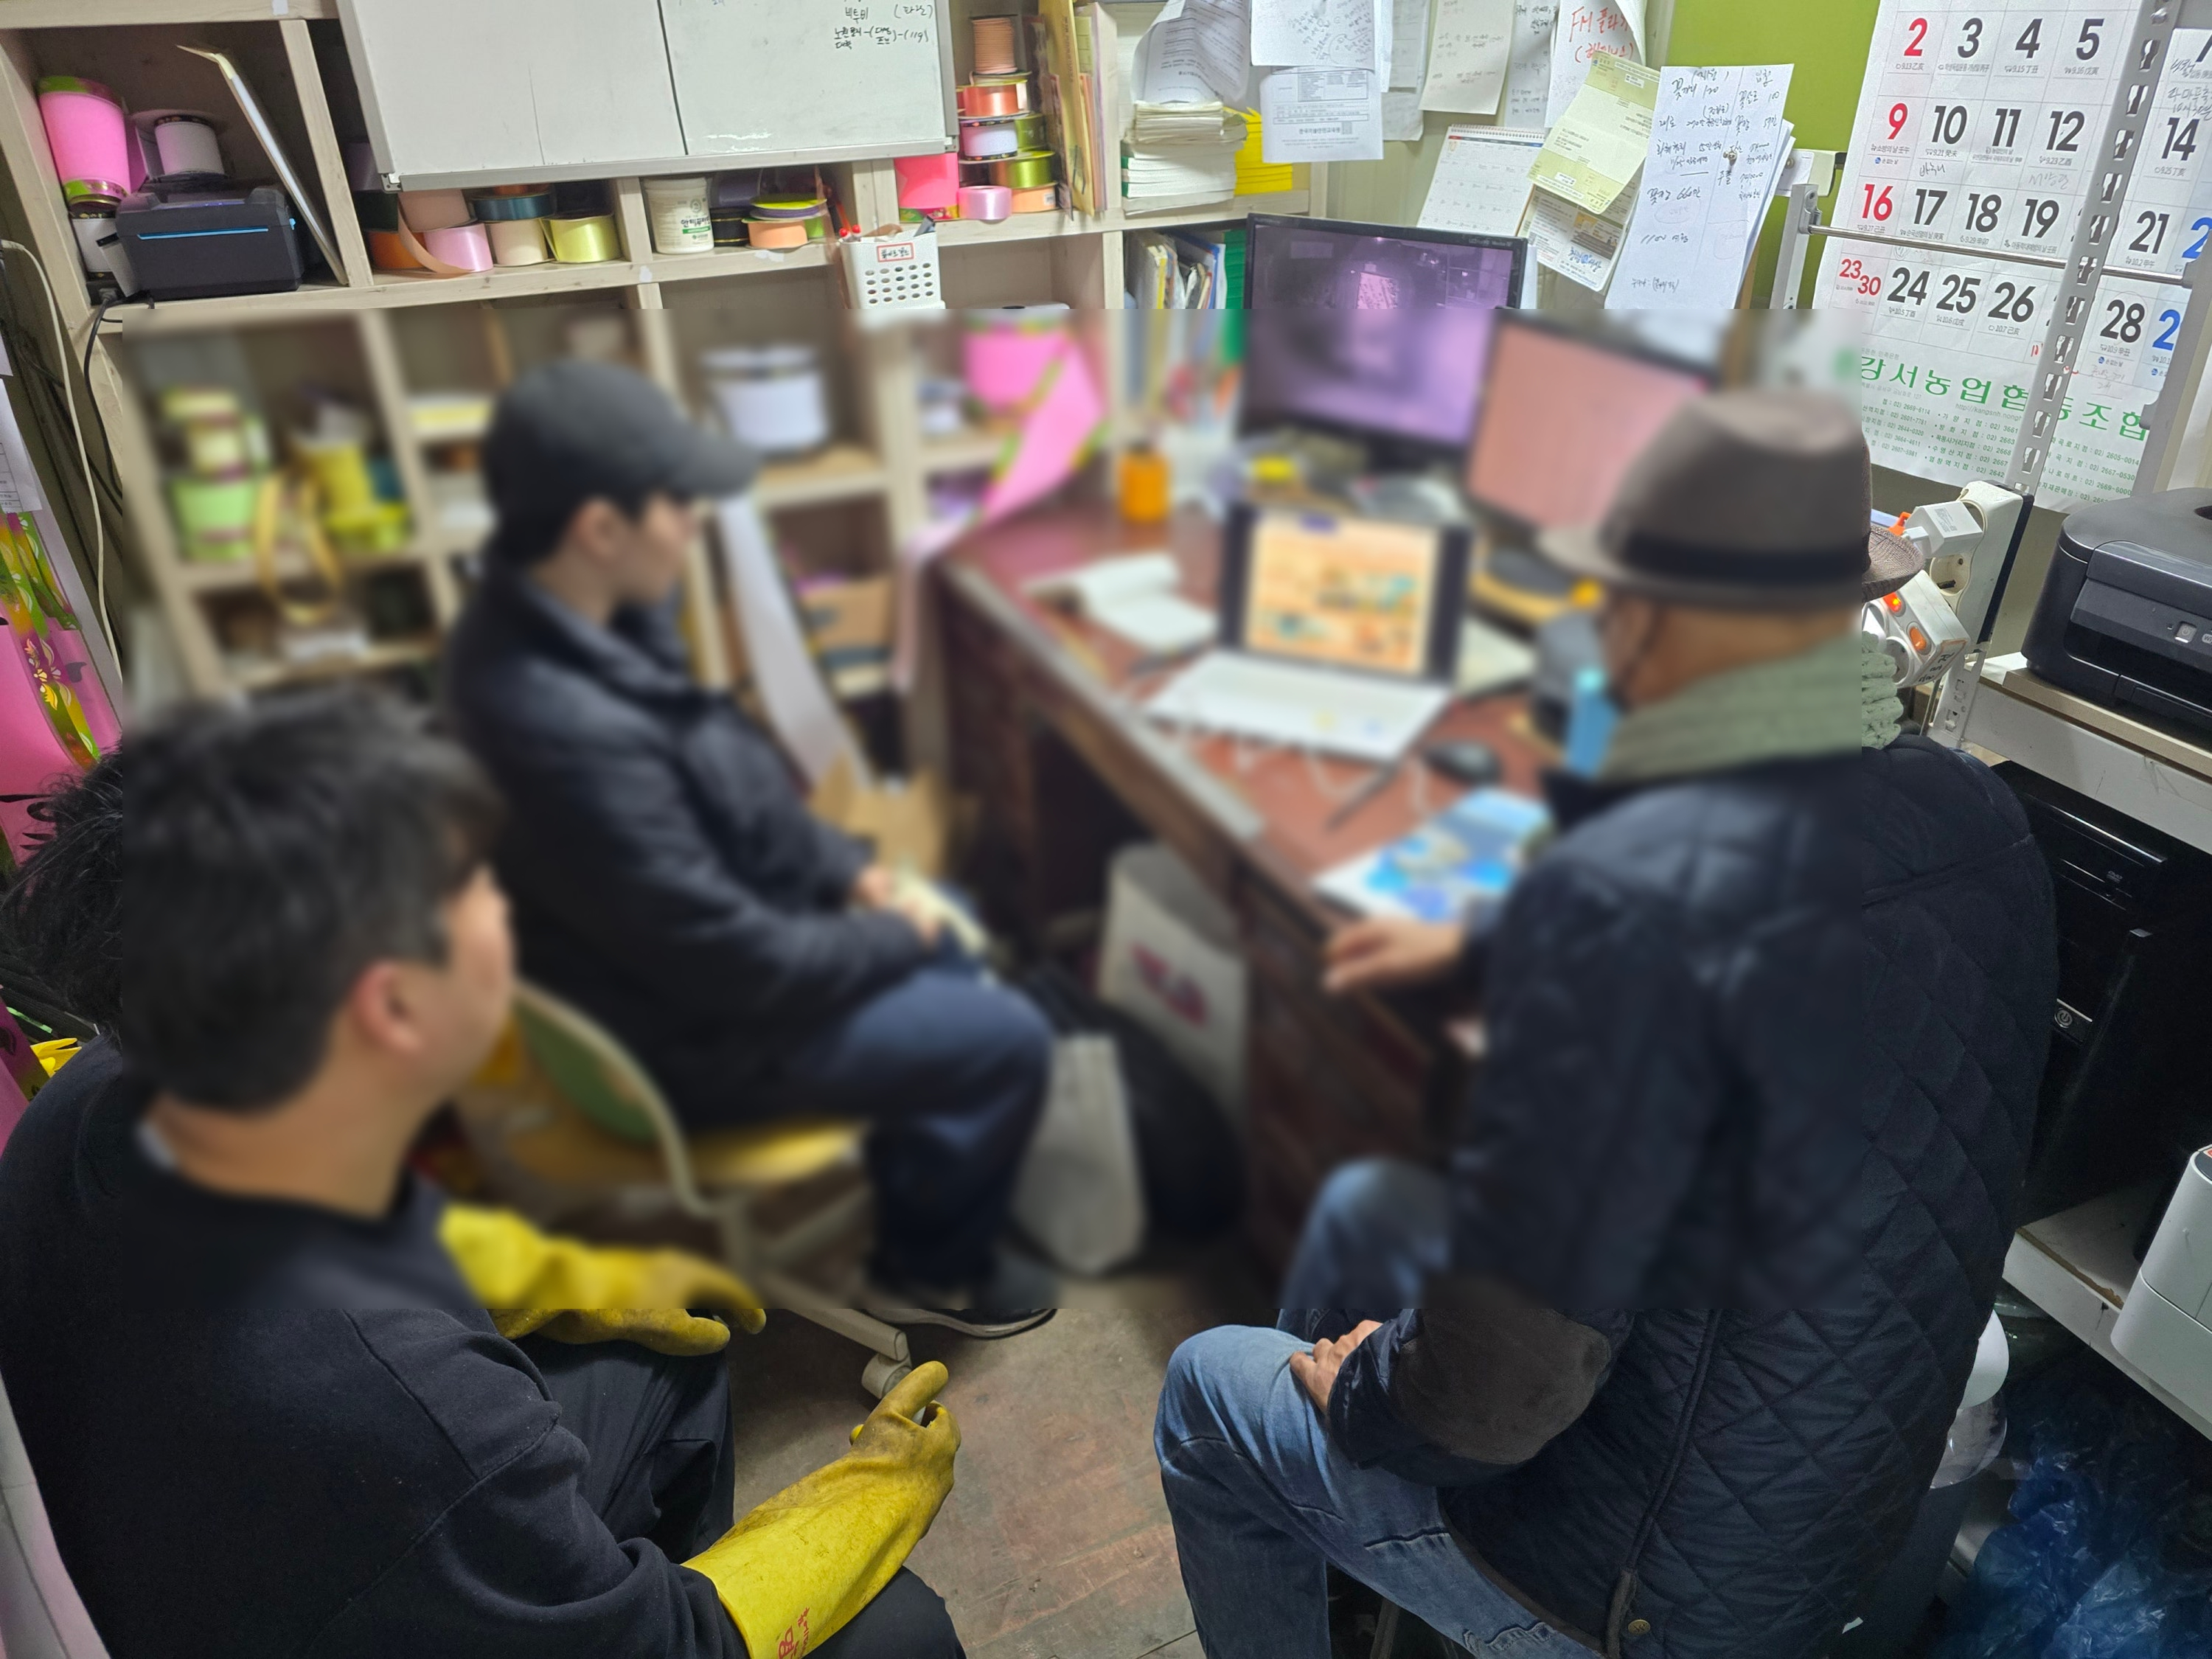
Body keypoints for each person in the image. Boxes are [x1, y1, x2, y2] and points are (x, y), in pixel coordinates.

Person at [1155, 391, 2060, 1659]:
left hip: (1640, 1594)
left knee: (1206, 1390)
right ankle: (1367, 1571)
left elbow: (1496, 1400)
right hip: (1839, 1507)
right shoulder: (1982, 824)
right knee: (1365, 1211)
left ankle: (1373, 1546)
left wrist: (1358, 1389)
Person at [0, 690, 966, 1659]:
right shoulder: (413, 1417)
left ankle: (591, 1584)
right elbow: (671, 1645)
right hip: (330, 1578)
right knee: (899, 1632)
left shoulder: (115, 1083)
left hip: (222, 1536)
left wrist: (528, 1285)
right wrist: (869, 1498)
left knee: (664, 1360)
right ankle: (591, 1602)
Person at [442, 360, 1052, 1333]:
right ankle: (927, 1267)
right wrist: (895, 935)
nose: (693, 526)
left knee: (955, 932)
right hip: (687, 1034)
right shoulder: (558, 727)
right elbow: (728, 961)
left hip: (703, 963)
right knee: (1006, 1037)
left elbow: (733, 781)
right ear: (599, 528)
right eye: (676, 504)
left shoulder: (579, 615)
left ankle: (925, 1171)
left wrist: (857, 874)